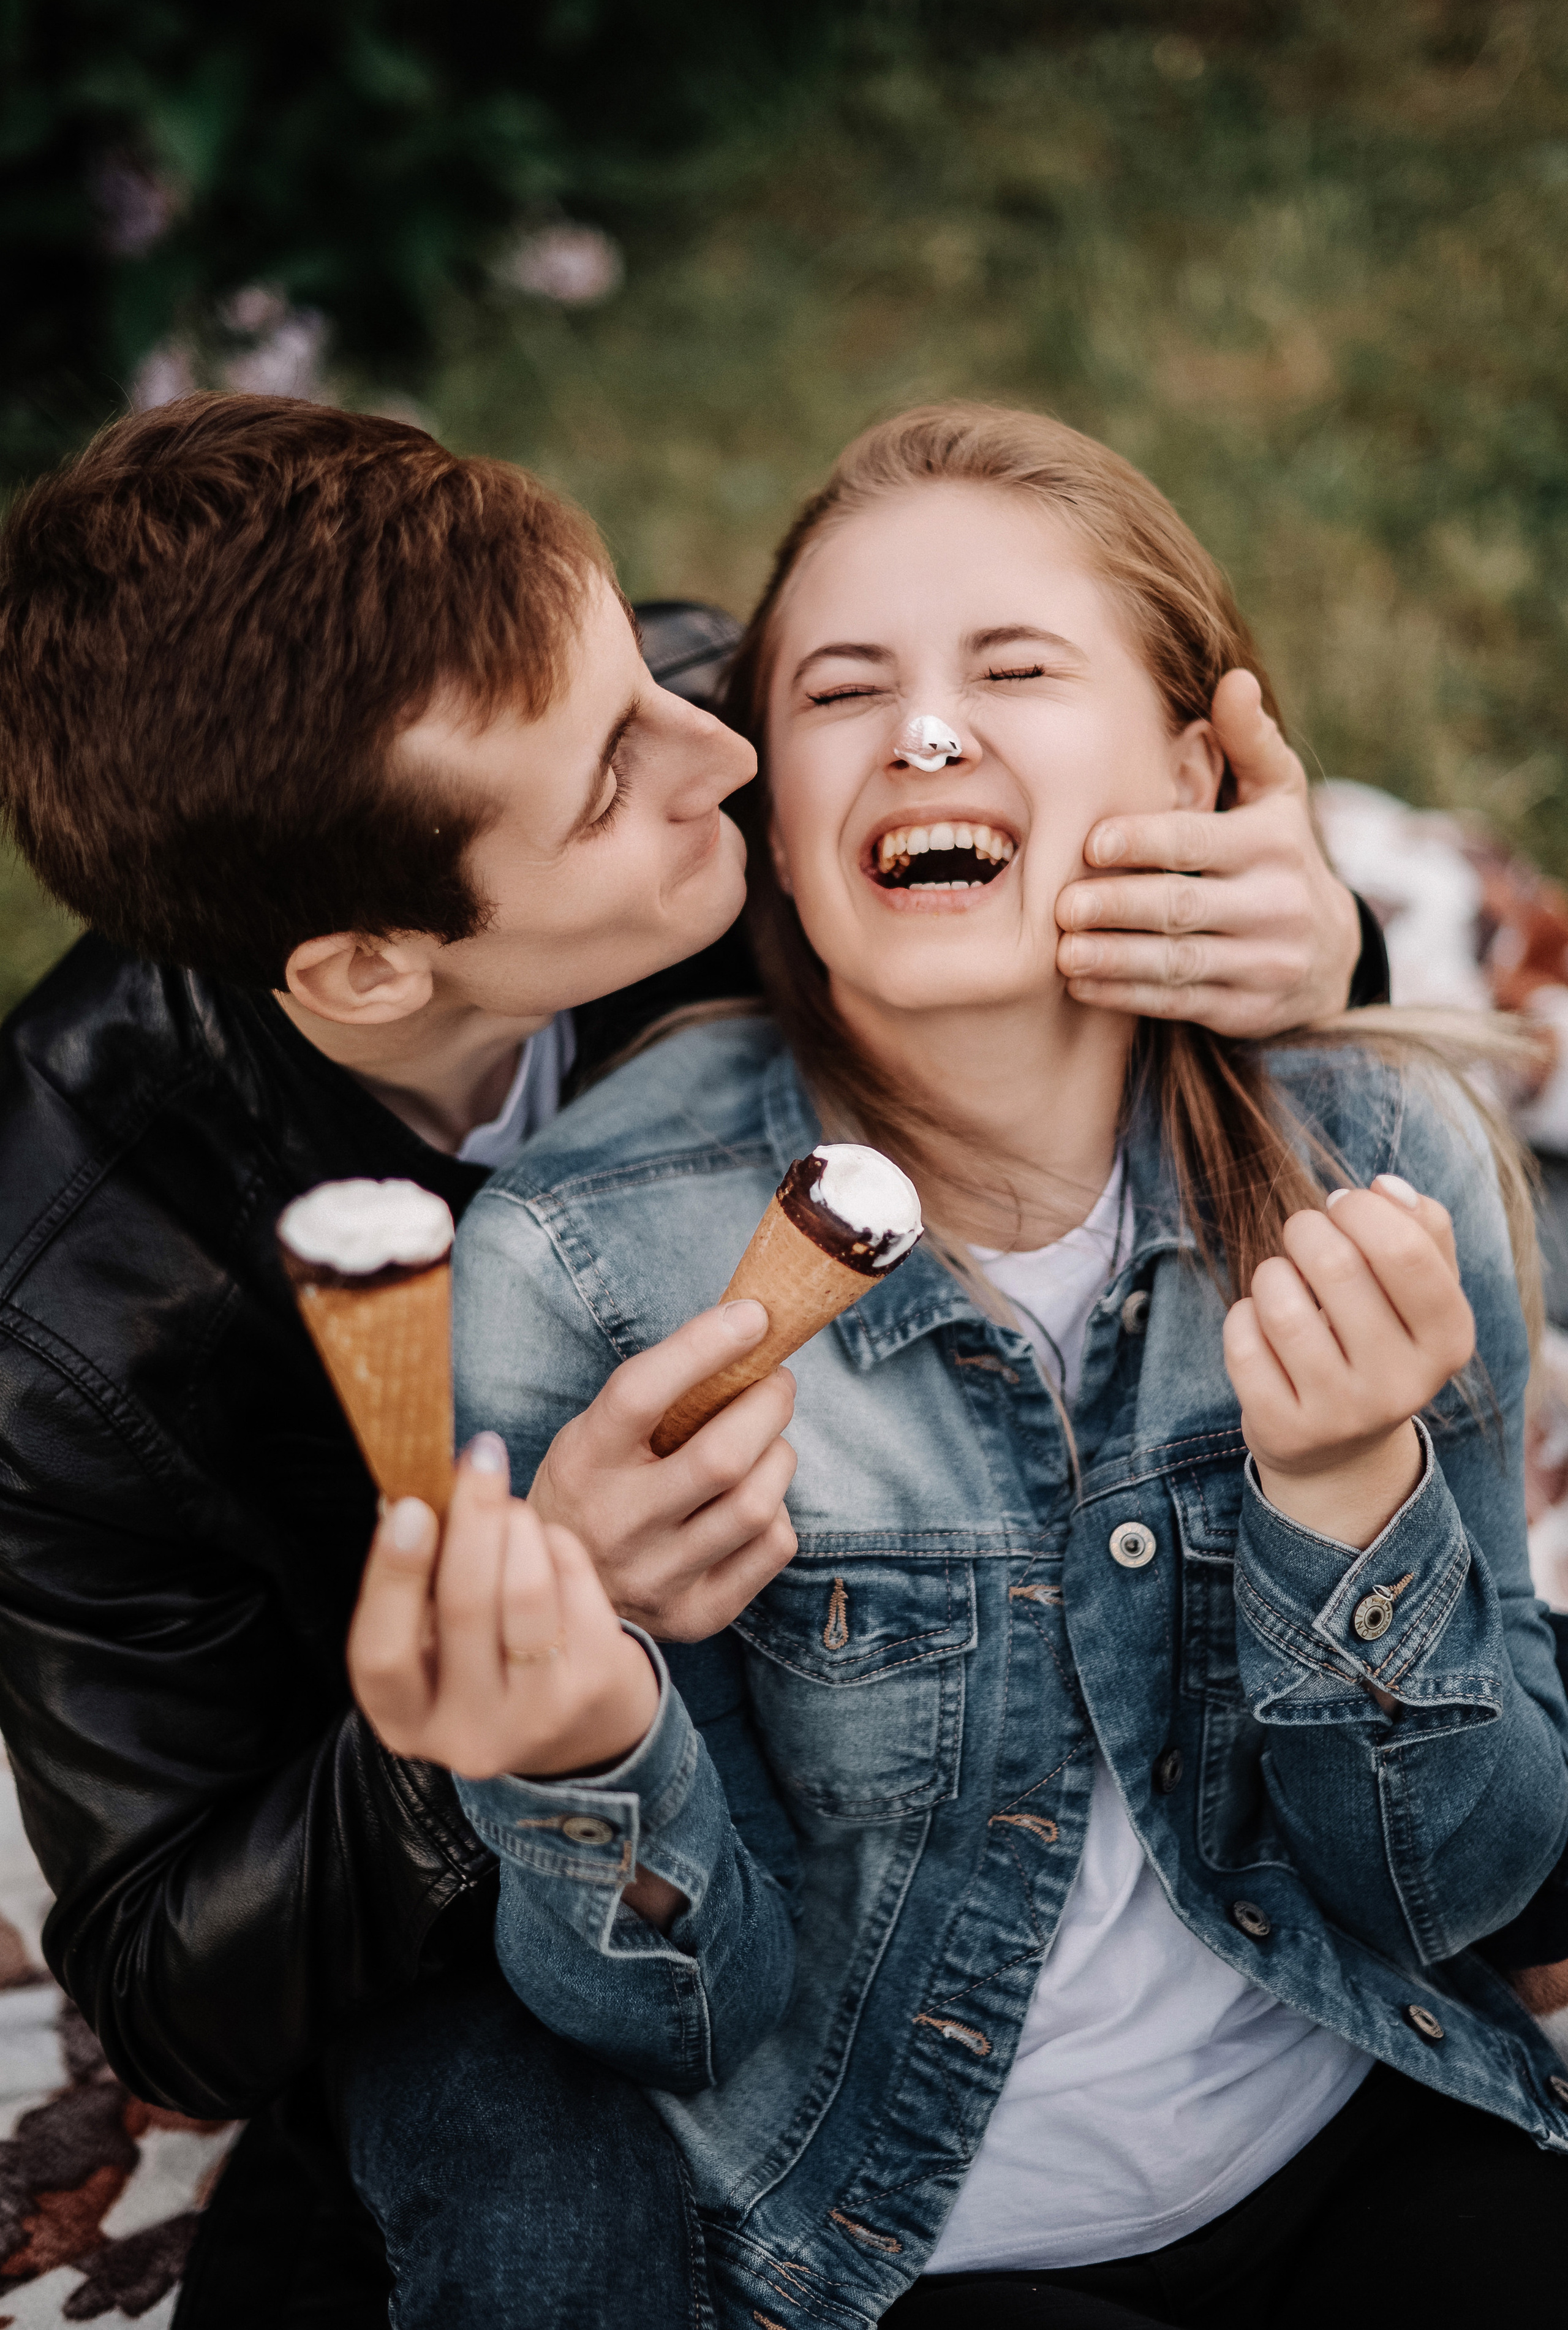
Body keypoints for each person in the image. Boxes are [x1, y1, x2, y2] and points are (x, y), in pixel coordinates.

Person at [0, 393, 1388, 2326]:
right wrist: (504, 1687)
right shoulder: (72, 1321)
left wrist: (1313, 948)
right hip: (519, 1905)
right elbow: (172, 1985)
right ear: (373, 968)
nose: (725, 748)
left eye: (645, 678)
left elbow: (1110, 952)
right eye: (607, 777)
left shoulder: (665, 750)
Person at [422, 403, 1568, 2329]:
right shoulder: (588, 1260)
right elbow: (675, 2016)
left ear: (1197, 772)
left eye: (1017, 670)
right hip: (910, 2240)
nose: (929, 736)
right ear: (773, 820)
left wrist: (1352, 1499)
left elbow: (1460, 1887)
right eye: (843, 690)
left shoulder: (1376, 1155)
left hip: (1353, 2112)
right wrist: (576, 1744)